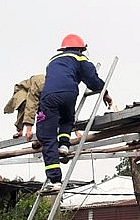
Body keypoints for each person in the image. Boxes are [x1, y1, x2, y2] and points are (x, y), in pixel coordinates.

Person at [36, 34, 112, 192]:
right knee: (67, 119)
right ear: (80, 48)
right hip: (70, 93)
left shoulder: (52, 61)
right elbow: (92, 79)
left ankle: (54, 180)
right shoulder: (80, 59)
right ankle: (64, 145)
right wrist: (104, 92)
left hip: (49, 97)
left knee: (47, 137)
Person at [4, 74, 45, 140]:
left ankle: (41, 137)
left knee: (44, 114)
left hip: (40, 92)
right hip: (30, 91)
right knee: (26, 106)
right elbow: (30, 107)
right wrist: (28, 130)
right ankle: (20, 130)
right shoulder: (34, 87)